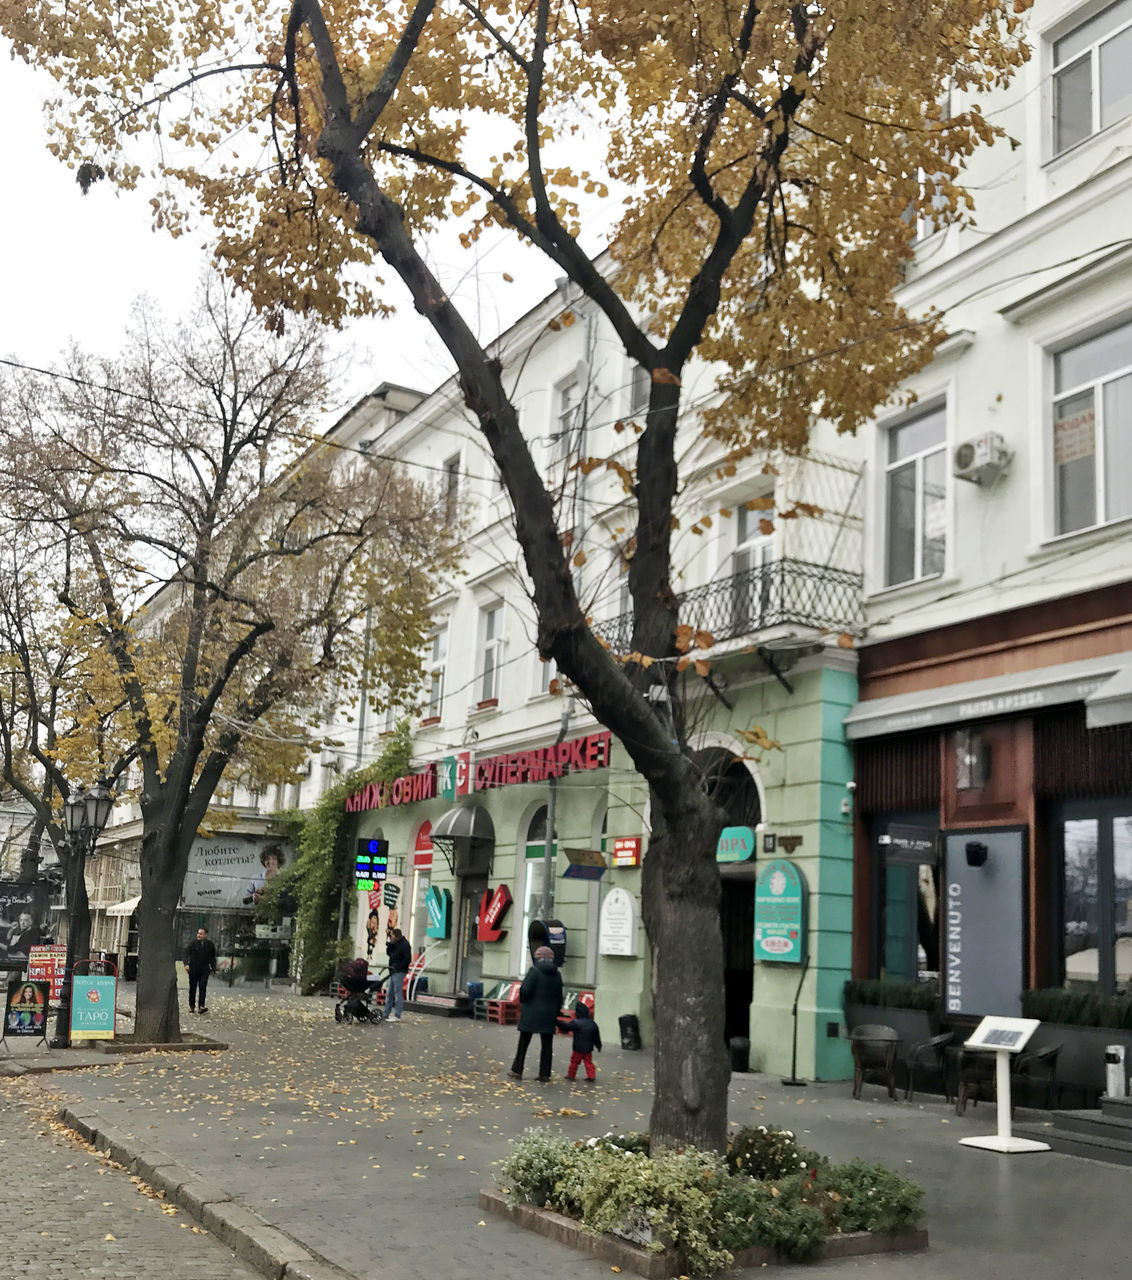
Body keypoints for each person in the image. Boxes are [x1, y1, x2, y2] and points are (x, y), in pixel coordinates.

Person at [509, 945, 563, 1083]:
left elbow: (525, 991)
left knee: (524, 1042)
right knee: (547, 1045)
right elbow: (559, 995)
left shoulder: (534, 971)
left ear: (538, 958)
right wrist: (556, 1011)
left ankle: (517, 1070)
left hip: (531, 1013)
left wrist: (523, 1000)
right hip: (549, 1014)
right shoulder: (557, 974)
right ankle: (544, 1074)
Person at [557, 1000, 602, 1083]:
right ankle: (591, 1076)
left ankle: (571, 1075)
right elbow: (596, 1037)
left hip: (578, 1047)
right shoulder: (593, 1023)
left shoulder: (576, 1023)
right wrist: (598, 1045)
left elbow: (566, 1027)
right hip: (588, 1048)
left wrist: (558, 1023)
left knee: (574, 1061)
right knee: (588, 1062)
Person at [184, 927, 218, 1014]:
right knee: (193, 988)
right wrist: (186, 964)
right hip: (193, 969)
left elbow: (212, 958)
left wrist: (214, 969)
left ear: (205, 935)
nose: (199, 935)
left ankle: (201, 1006)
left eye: (201, 934)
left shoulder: (210, 945)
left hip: (204, 969)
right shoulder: (193, 944)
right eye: (198, 933)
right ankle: (192, 1006)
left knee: (202, 987)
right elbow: (185, 953)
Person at [384, 927, 411, 1023]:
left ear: (396, 936)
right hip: (392, 970)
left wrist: (399, 967)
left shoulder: (404, 945)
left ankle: (397, 1014)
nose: (391, 938)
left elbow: (407, 959)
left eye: (392, 936)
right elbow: (389, 953)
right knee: (389, 992)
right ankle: (385, 1014)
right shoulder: (395, 944)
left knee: (397, 993)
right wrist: (389, 943)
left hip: (399, 971)